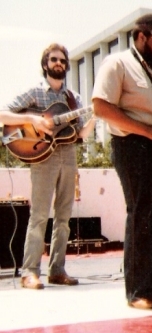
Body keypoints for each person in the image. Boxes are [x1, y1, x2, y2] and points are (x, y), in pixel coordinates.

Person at [92, 13, 152, 310]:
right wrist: (148, 130)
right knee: (140, 215)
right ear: (141, 36)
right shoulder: (117, 63)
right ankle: (138, 291)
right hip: (132, 145)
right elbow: (100, 107)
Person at [0, 43, 96, 289]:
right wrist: (31, 119)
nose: (59, 64)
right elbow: (3, 114)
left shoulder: (73, 98)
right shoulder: (34, 92)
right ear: (45, 64)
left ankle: (57, 269)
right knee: (40, 215)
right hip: (42, 157)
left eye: (63, 60)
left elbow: (82, 134)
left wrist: (98, 115)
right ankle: (29, 271)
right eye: (54, 59)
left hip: (68, 155)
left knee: (63, 217)